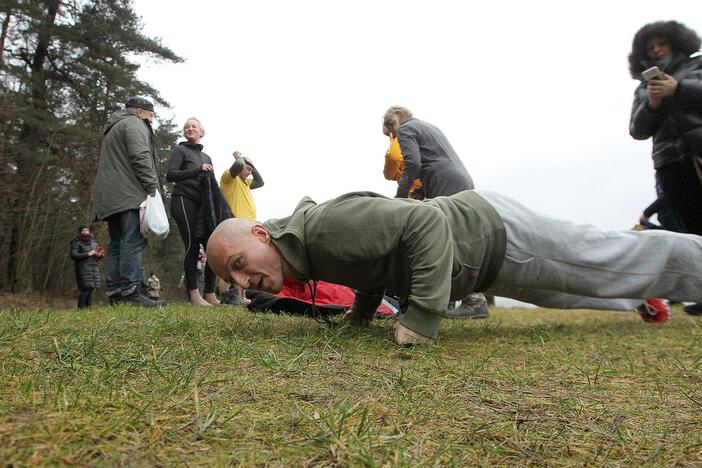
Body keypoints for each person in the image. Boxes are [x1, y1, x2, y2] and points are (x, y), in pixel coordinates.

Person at [205, 190, 702, 345]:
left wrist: (422, 317)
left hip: (493, 236)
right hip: (479, 263)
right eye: (235, 280)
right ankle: (641, 296)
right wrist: (362, 313)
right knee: (561, 290)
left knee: (608, 257)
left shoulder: (324, 228)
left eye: (242, 265)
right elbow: (373, 267)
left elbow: (422, 223)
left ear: (261, 235)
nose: (247, 284)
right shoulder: (309, 251)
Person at [382, 106, 488, 319]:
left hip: (444, 183)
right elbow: (432, 161)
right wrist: (421, 191)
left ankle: (474, 300)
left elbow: (412, 164)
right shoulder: (428, 127)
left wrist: (400, 197)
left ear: (393, 124)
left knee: (446, 239)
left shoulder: (406, 129)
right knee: (456, 237)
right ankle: (447, 301)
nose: (393, 138)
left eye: (390, 134)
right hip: (460, 180)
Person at [628, 20, 702, 316]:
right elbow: (636, 129)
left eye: (661, 44)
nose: (656, 50)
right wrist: (653, 104)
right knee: (692, 228)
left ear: (676, 42)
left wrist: (679, 88)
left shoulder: (696, 68)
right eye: (650, 47)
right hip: (669, 161)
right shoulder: (644, 88)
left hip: (698, 152)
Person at [91, 96, 164, 307]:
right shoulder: (134, 123)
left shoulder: (113, 127)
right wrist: (152, 188)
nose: (151, 121)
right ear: (141, 111)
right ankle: (131, 293)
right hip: (129, 194)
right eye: (151, 116)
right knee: (132, 241)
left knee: (116, 243)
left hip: (110, 197)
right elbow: (140, 156)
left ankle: (115, 294)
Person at [166, 117, 232, 306]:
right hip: (183, 201)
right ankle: (194, 294)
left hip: (202, 205)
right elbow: (171, 175)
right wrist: (196, 170)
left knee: (211, 246)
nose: (190, 128)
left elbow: (212, 185)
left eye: (194, 126)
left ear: (201, 132)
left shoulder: (207, 157)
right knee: (192, 246)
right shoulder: (181, 150)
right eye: (186, 127)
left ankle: (210, 293)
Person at [219, 151, 264, 305]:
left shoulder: (247, 183)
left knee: (245, 263)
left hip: (248, 227)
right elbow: (238, 165)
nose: (249, 170)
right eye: (247, 167)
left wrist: (251, 166)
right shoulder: (229, 179)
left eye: (251, 168)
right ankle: (228, 296)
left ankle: (241, 296)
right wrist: (240, 158)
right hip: (234, 225)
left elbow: (261, 182)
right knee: (234, 262)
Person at [69, 225, 103, 308]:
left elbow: (100, 253)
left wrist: (99, 254)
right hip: (82, 267)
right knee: (86, 288)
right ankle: (81, 307)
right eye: (83, 230)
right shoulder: (76, 242)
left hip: (94, 267)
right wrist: (87, 254)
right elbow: (73, 255)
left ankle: (88, 306)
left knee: (91, 288)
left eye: (87, 230)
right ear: (80, 232)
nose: (85, 232)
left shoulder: (93, 242)